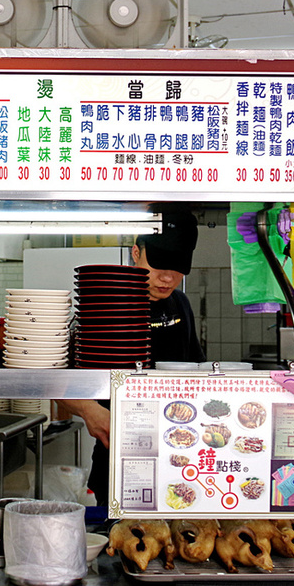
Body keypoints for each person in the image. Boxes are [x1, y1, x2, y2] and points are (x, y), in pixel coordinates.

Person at [59, 211, 203, 506]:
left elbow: (198, 372)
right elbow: (59, 382)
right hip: (117, 456)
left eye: (177, 267)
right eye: (160, 262)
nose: (167, 277)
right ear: (136, 252)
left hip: (179, 458)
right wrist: (89, 410)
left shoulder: (181, 304)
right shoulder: (104, 301)